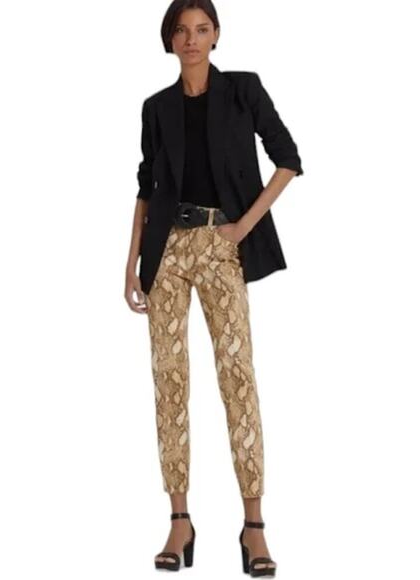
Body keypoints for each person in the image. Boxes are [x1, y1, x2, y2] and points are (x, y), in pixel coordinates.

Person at [124, 0, 303, 575]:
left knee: (237, 377)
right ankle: (180, 521)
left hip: (222, 245)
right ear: (169, 40)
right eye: (181, 30)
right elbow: (146, 187)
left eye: (202, 29)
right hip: (166, 252)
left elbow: (288, 159)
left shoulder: (243, 90)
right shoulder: (156, 107)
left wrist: (242, 227)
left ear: (217, 35)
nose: (191, 39)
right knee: (169, 381)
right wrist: (131, 264)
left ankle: (254, 526)